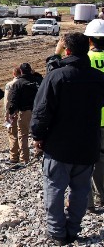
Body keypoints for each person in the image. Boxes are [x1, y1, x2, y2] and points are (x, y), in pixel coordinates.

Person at [31, 32, 104, 245]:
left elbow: (41, 111)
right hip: (88, 143)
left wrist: (38, 136)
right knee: (81, 190)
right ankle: (73, 230)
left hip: (58, 145)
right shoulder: (99, 78)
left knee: (54, 188)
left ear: (67, 50)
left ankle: (57, 233)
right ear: (87, 47)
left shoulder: (57, 77)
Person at [84, 19, 104, 211]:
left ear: (89, 40)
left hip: (88, 118)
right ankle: (102, 196)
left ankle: (87, 202)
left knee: (84, 161)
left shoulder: (85, 60)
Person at [7, 62, 43, 164]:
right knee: (38, 131)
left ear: (21, 71)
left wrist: (11, 112)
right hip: (38, 109)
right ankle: (39, 150)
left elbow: (13, 100)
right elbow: (41, 79)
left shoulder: (18, 83)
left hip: (25, 111)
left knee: (23, 135)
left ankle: (24, 158)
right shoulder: (37, 80)